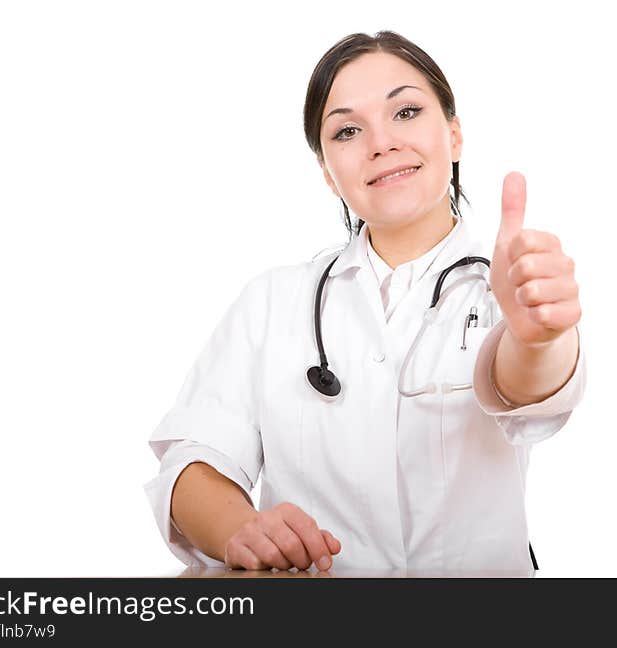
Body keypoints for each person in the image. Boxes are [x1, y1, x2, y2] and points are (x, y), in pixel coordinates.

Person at [145, 31, 586, 576]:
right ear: (328, 173)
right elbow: (194, 460)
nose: (381, 142)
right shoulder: (273, 302)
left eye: (405, 112)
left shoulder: (511, 289)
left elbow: (528, 387)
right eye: (348, 129)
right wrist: (241, 529)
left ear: (454, 135)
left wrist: (538, 338)